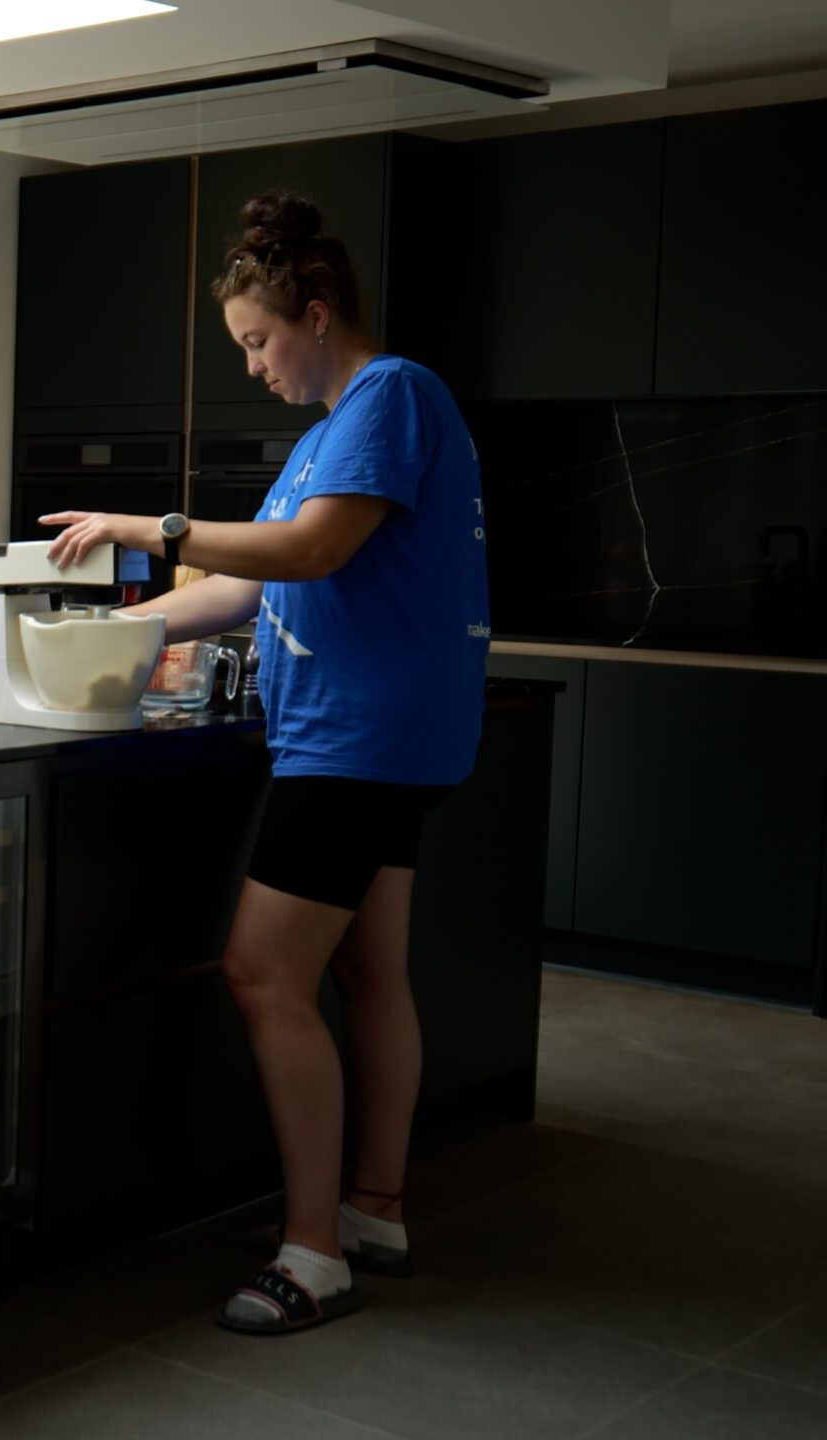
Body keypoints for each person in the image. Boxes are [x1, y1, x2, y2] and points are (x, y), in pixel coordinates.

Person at [38, 190, 490, 1335]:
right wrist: (112, 633)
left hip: (355, 743)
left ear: (318, 312)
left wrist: (155, 528)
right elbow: (253, 585)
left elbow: (310, 548)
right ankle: (371, 1208)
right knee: (364, 972)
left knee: (260, 973)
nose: (251, 366)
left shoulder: (388, 393)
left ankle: (311, 1251)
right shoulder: (328, 435)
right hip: (377, 740)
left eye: (256, 340)